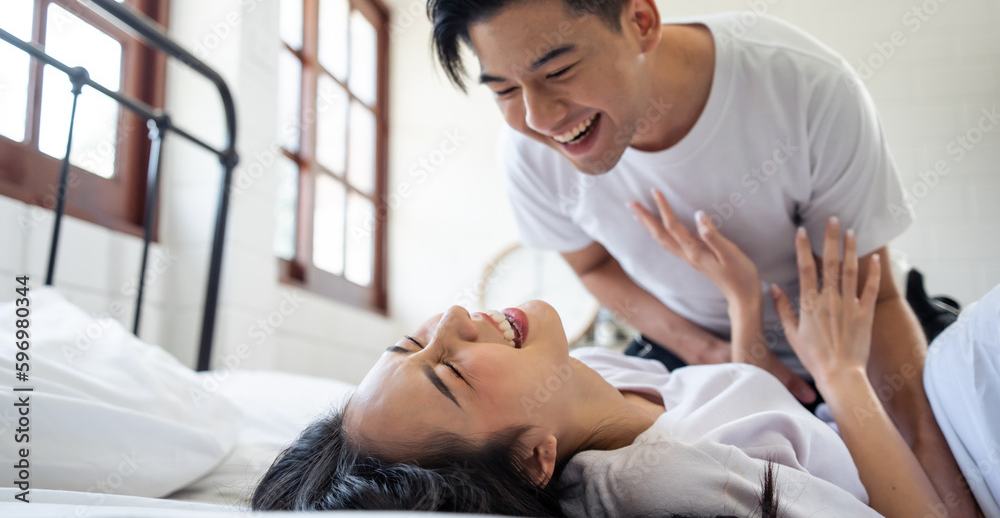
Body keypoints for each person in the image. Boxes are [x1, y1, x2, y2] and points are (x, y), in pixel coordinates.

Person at [423, 0, 978, 515]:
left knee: (961, 440)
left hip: (847, 312)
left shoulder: (803, 89)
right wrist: (712, 351)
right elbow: (593, 266)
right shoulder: (527, 153)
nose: (540, 117)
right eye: (504, 90)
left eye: (559, 72)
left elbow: (874, 296)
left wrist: (946, 485)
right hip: (690, 336)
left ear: (641, 20)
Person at [251, 218, 995, 516]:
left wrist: (739, 303)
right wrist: (842, 375)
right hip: (953, 455)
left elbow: (759, 422)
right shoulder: (660, 481)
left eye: (410, 344)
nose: (447, 321)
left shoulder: (585, 374)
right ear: (533, 457)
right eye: (449, 371)